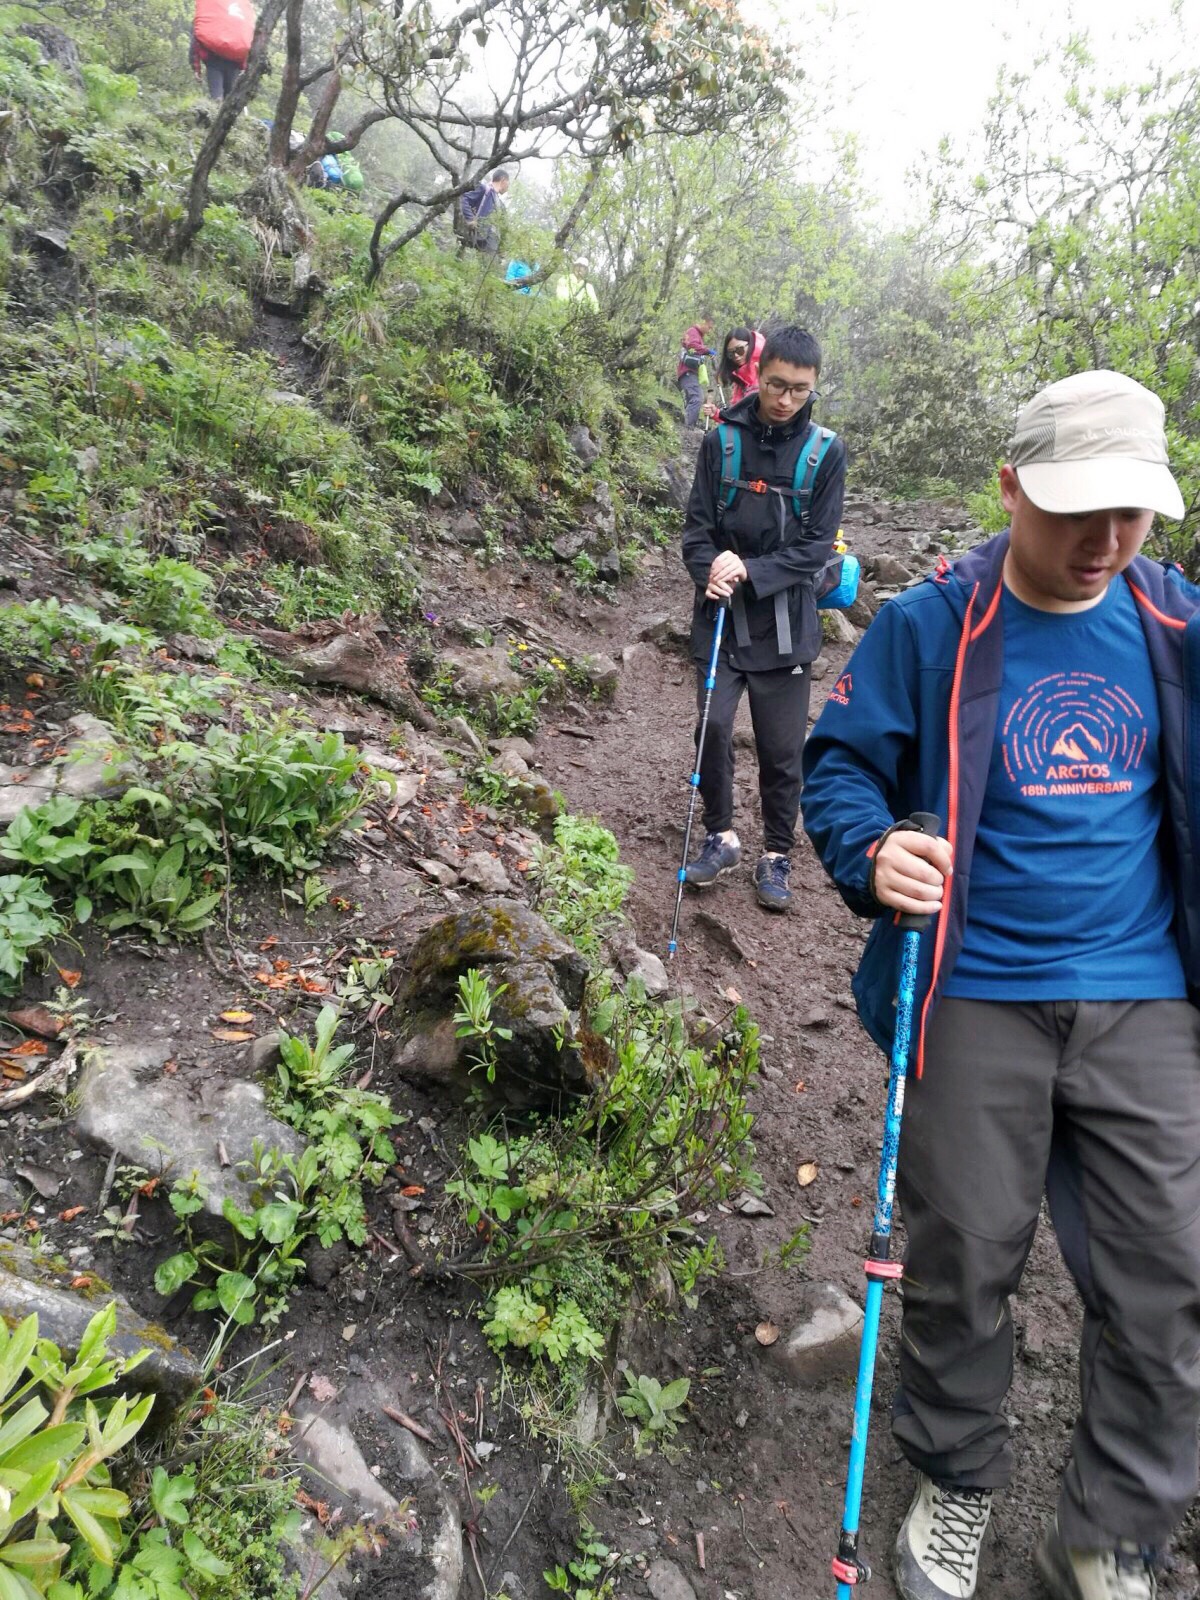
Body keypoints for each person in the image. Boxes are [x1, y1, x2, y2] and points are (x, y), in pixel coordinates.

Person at [802, 369, 1197, 1600]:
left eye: (1134, 514)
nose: (1107, 543)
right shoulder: (932, 625)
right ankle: (959, 1477)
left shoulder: (1177, 624)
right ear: (1012, 483)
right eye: (1080, 509)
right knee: (966, 1251)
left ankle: (1110, 1528)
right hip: (975, 986)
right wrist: (874, 850)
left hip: (1147, 993)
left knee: (1167, 1267)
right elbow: (836, 768)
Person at [680, 324, 846, 912]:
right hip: (720, 615)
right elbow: (696, 529)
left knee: (780, 750)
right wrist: (709, 569)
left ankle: (777, 853)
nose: (786, 399)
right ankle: (720, 836)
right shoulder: (719, 441)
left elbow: (818, 547)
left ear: (813, 385)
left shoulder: (827, 451)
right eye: (777, 385)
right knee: (714, 728)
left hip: (786, 622)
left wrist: (749, 568)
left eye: (800, 390)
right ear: (757, 371)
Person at [190, 0, 255, 100]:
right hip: (235, 61)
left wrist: (196, 69)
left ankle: (217, 108)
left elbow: (196, 41)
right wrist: (245, 68)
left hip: (213, 60)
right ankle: (227, 112)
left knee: (217, 97)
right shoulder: (243, 7)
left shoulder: (208, 12)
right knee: (230, 99)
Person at [457, 169, 510, 254]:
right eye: (508, 182)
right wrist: (470, 219)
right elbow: (464, 199)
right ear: (503, 180)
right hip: (477, 239)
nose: (508, 186)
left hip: (491, 245)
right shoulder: (484, 189)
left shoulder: (500, 204)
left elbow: (504, 227)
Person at [677, 318, 715, 428]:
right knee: (697, 398)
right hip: (687, 373)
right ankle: (687, 428)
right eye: (709, 327)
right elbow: (692, 345)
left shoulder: (698, 335)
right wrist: (708, 350)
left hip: (690, 373)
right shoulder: (693, 332)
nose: (709, 331)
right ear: (703, 322)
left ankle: (687, 427)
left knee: (692, 399)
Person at [719, 326, 766, 405]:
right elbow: (739, 414)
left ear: (750, 345)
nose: (736, 355)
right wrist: (716, 414)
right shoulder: (740, 379)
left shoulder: (766, 369)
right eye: (731, 353)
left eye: (740, 349)